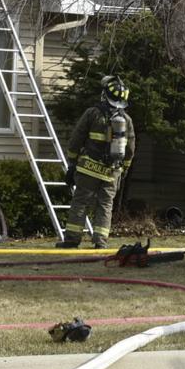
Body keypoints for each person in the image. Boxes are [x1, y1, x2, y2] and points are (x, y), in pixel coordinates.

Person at [59, 75, 136, 249]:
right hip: (111, 172)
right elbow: (130, 149)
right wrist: (123, 170)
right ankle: (100, 241)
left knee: (81, 202)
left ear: (105, 95)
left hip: (88, 169)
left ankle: (72, 240)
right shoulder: (126, 120)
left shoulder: (92, 113)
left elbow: (76, 139)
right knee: (105, 205)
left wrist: (72, 163)